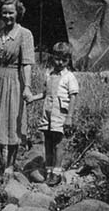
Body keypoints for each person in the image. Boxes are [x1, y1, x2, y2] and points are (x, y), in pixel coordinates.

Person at [0, 0, 35, 183]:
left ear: (17, 13)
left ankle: (10, 165)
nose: (7, 16)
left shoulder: (24, 34)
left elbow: (26, 63)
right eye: (4, 12)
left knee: (12, 121)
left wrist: (27, 86)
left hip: (14, 81)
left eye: (11, 12)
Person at [27, 42, 79, 186]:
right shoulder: (49, 74)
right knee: (48, 143)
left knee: (59, 144)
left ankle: (57, 171)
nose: (60, 62)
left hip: (60, 116)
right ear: (53, 58)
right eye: (57, 59)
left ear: (69, 60)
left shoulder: (69, 77)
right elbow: (46, 93)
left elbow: (73, 97)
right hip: (48, 114)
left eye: (64, 60)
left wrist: (69, 117)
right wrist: (33, 98)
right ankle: (48, 170)